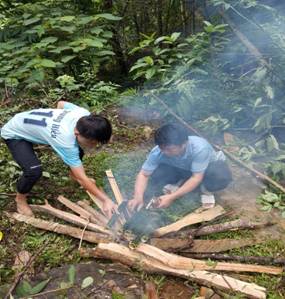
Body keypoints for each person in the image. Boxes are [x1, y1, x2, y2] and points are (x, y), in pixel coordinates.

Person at [0, 101, 117, 218]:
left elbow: (61, 104)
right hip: (14, 133)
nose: (94, 145)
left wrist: (52, 126)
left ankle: (73, 175)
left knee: (78, 149)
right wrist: (106, 200)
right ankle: (20, 199)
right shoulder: (66, 141)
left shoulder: (83, 114)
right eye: (92, 142)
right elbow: (82, 179)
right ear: (76, 132)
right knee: (33, 171)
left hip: (24, 120)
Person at [128, 123, 232, 211]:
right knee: (157, 173)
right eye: (162, 148)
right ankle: (181, 183)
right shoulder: (158, 151)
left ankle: (205, 190)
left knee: (220, 177)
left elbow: (196, 177)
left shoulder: (200, 149)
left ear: (184, 144)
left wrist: (171, 197)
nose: (164, 152)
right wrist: (137, 197)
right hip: (183, 169)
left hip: (206, 170)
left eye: (169, 149)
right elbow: (143, 174)